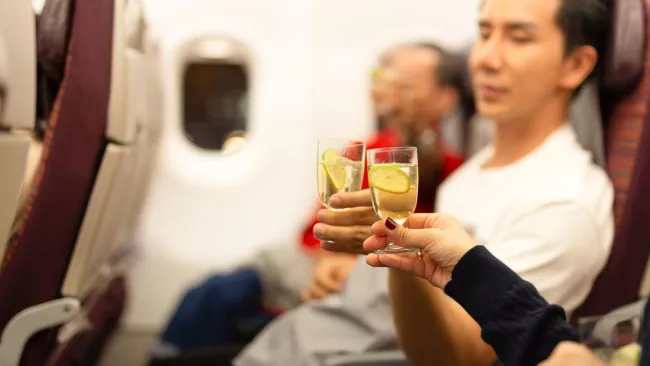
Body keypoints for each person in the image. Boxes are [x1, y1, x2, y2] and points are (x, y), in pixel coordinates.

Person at [314, 0, 614, 364]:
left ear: (575, 65)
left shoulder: (565, 204)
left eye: (518, 38)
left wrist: (394, 248)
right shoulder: (473, 171)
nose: (485, 58)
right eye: (484, 33)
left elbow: (462, 353)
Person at [233, 42, 465, 366]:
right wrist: (326, 261)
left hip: (380, 276)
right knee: (226, 289)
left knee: (231, 293)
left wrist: (415, 131)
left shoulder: (451, 170)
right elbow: (315, 228)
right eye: (386, 78)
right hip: (324, 265)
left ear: (445, 98)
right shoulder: (359, 151)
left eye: (408, 83)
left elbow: (425, 194)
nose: (393, 90)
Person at [361, 213, 621, 366]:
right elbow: (549, 345)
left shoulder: (568, 208)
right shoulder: (462, 179)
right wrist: (468, 267)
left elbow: (463, 354)